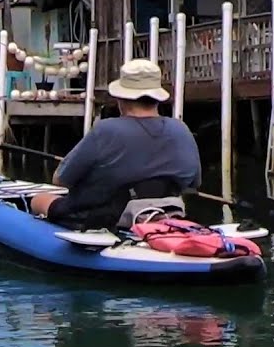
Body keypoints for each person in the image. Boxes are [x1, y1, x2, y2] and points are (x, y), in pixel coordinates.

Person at [30, 58, 202, 230]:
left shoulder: (105, 130)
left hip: (102, 218)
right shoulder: (181, 129)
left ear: (121, 98)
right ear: (157, 98)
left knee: (39, 199)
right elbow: (194, 182)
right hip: (164, 212)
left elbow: (61, 179)